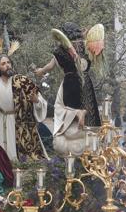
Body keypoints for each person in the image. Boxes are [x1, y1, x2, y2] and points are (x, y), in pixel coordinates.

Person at [35, 22, 102, 156]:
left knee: (62, 107)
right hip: (86, 82)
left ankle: (77, 113)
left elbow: (50, 66)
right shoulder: (87, 45)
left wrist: (40, 71)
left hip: (70, 81)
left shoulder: (60, 50)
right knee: (88, 105)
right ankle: (85, 116)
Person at [0, 55, 48, 161]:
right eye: (3, 64)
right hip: (2, 122)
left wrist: (36, 101)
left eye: (8, 62)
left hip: (22, 123)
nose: (7, 65)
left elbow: (40, 101)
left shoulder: (22, 81)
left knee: (24, 158)